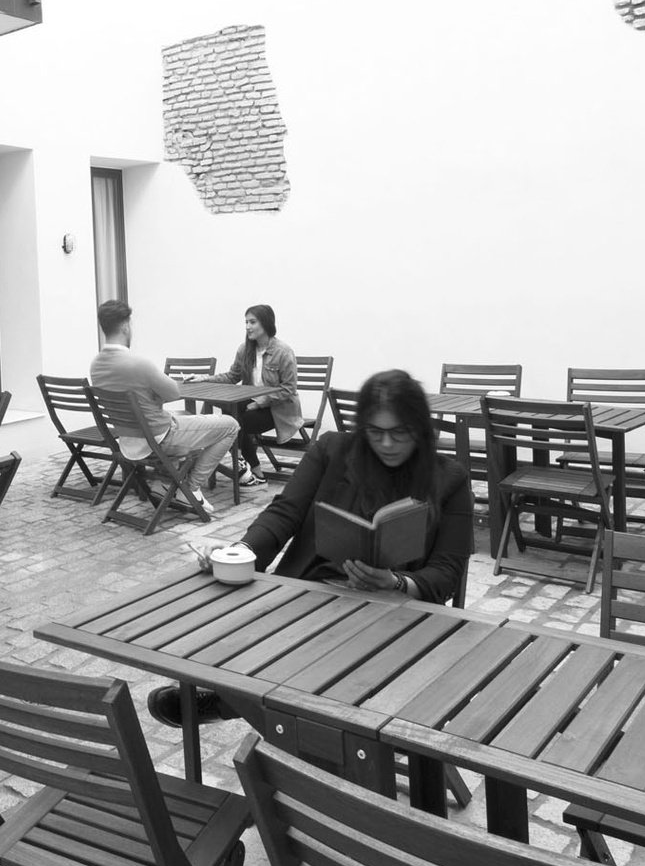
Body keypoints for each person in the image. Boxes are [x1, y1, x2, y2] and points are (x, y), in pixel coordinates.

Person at [148, 369, 474, 727]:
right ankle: (256, 711)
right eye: (376, 432)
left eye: (400, 433)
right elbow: (284, 514)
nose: (387, 444)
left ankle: (231, 705)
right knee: (251, 635)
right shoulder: (333, 451)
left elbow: (447, 571)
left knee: (319, 663)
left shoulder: (449, 478)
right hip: (312, 591)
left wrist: (396, 582)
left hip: (398, 611)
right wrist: (240, 552)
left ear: (420, 429)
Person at [89, 300, 240, 514]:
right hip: (161, 437)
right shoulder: (139, 364)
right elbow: (174, 393)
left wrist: (150, 399)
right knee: (231, 425)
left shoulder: (96, 366)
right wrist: (154, 397)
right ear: (125, 326)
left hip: (127, 442)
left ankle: (165, 483)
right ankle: (190, 488)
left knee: (193, 424)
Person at [183, 303, 301, 488]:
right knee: (229, 416)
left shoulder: (283, 351)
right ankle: (244, 467)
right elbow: (232, 377)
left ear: (266, 323)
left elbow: (289, 389)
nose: (247, 327)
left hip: (279, 410)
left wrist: (261, 402)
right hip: (251, 405)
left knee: (238, 420)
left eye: (252, 322)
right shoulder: (244, 349)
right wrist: (203, 378)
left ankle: (253, 472)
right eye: (246, 322)